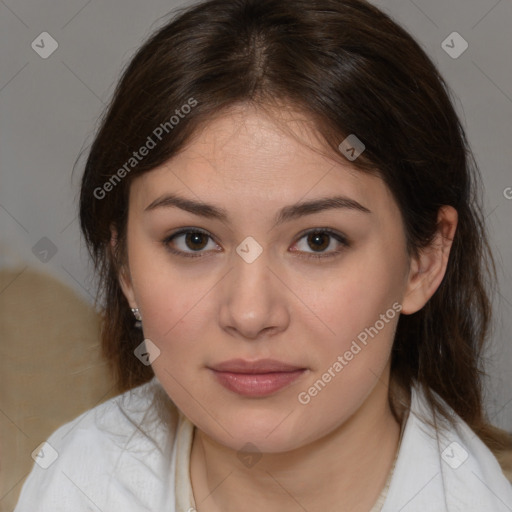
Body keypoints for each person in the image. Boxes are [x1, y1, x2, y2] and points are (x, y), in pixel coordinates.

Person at [14, 0, 512, 510]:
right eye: (193, 239)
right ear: (125, 266)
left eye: (319, 240)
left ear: (424, 260)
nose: (250, 314)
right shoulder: (70, 482)